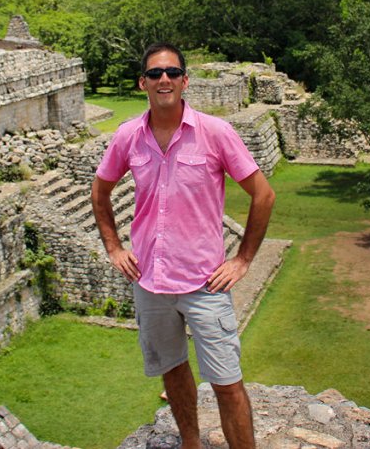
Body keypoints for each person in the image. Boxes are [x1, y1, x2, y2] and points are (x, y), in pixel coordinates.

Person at [91, 42, 276, 449]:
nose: (164, 80)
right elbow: (100, 191)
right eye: (155, 74)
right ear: (143, 82)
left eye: (172, 73)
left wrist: (243, 259)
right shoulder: (128, 137)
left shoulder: (214, 132)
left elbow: (263, 195)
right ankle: (190, 444)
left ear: (185, 81)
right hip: (151, 282)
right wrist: (114, 247)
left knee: (227, 383)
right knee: (173, 373)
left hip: (204, 283)